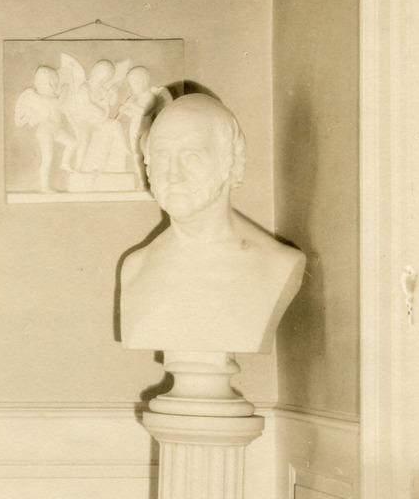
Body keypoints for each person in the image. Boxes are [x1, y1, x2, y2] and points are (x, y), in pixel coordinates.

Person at [119, 94, 304, 354]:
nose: (173, 174)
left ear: (231, 163)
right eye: (161, 157)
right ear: (148, 165)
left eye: (192, 157)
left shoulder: (276, 264)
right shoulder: (135, 267)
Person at [13, 65, 67, 193]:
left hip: (55, 130)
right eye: (50, 84)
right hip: (45, 131)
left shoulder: (52, 98)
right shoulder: (41, 99)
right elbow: (59, 102)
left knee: (73, 143)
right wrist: (66, 89)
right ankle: (44, 186)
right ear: (40, 84)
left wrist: (65, 89)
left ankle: (65, 163)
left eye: (54, 84)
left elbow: (59, 103)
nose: (52, 87)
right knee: (47, 159)